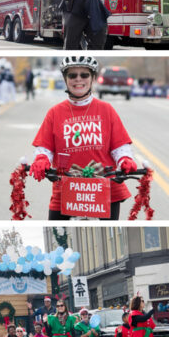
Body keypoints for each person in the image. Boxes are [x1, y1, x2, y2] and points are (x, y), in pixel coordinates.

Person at [29, 56, 139, 220]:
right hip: (66, 188)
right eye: (72, 75)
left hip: (104, 187)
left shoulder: (106, 109)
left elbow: (119, 146)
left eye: (84, 75)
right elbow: (45, 147)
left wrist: (125, 160)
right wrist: (42, 159)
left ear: (93, 78)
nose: (78, 79)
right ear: (66, 79)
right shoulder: (55, 112)